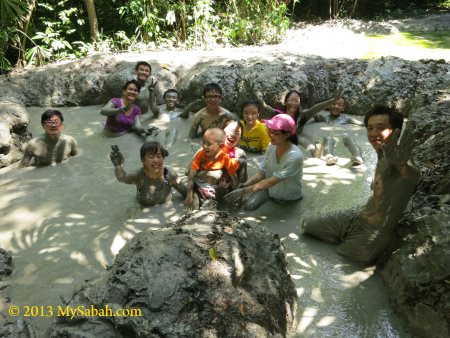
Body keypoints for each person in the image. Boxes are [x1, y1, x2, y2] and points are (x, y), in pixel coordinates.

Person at [301, 105, 420, 265]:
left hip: (373, 231)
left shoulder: (400, 159)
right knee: (307, 224)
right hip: (357, 215)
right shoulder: (381, 154)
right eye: (370, 128)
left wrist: (402, 164)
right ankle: (342, 236)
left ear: (396, 131)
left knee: (343, 263)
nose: (373, 133)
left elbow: (413, 175)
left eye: (381, 128)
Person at [224, 114, 304, 211]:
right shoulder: (272, 146)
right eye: (269, 130)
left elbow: (273, 181)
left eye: (274, 133)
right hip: (269, 189)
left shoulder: (294, 156)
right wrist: (244, 185)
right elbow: (261, 173)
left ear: (287, 135)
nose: (269, 134)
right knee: (248, 207)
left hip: (287, 198)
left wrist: (244, 191)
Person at [245, 79, 342, 150]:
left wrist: (332, 101)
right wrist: (252, 93)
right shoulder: (277, 114)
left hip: (296, 138)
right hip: (280, 138)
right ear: (286, 102)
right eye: (291, 100)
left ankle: (318, 154)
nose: (294, 103)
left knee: (308, 145)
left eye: (297, 100)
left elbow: (316, 108)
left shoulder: (303, 115)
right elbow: (264, 105)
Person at [109, 142, 186, 206]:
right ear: (143, 160)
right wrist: (118, 166)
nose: (156, 160)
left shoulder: (170, 175)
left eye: (159, 156)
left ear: (163, 158)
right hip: (141, 210)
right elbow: (122, 178)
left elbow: (187, 192)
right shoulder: (139, 176)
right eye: (151, 157)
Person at [185, 128, 239, 210]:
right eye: (203, 142)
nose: (204, 146)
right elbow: (191, 176)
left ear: (220, 146)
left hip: (214, 186)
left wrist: (236, 191)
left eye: (209, 144)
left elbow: (233, 176)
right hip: (199, 184)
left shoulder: (225, 158)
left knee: (216, 204)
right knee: (195, 204)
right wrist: (189, 195)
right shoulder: (201, 154)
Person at [312, 98, 365, 166]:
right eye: (333, 104)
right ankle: (329, 156)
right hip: (331, 139)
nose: (336, 106)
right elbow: (313, 114)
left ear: (343, 108)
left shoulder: (346, 118)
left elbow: (361, 123)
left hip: (343, 138)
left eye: (339, 105)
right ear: (329, 106)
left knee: (348, 138)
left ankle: (358, 157)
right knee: (328, 138)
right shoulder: (324, 118)